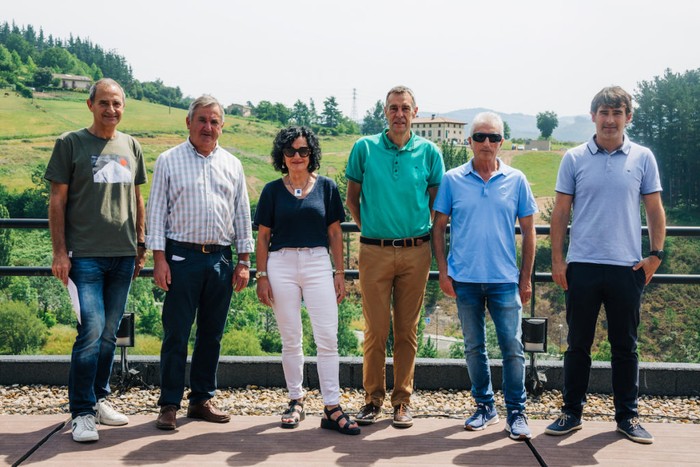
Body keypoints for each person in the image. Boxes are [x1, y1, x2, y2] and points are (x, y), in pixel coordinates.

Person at [545, 86, 666, 444]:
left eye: (617, 112)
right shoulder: (574, 157)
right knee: (577, 345)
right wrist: (558, 260)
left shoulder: (643, 157)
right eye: (604, 112)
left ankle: (627, 417)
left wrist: (656, 254)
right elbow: (561, 212)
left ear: (628, 117)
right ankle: (571, 413)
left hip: (627, 268)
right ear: (593, 116)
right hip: (581, 264)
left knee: (625, 346)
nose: (610, 119)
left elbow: (655, 209)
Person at [45, 78, 147, 443]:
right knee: (90, 332)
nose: (111, 110)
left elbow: (136, 197)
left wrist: (141, 242)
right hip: (84, 255)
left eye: (117, 103)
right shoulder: (70, 143)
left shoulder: (131, 145)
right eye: (104, 102)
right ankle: (81, 412)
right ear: (90, 105)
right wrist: (59, 252)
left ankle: (99, 399)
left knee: (108, 334)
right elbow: (56, 201)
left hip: (122, 255)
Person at [146, 95, 254, 430]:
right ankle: (169, 404)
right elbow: (156, 212)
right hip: (181, 257)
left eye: (215, 121)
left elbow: (242, 213)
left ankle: (201, 399)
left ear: (221, 126)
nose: (208, 127)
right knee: (176, 333)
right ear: (189, 122)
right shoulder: (168, 160)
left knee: (212, 333)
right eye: (202, 120)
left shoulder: (232, 164)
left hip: (221, 259)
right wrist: (159, 259)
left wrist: (244, 260)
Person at [432, 112, 537, 441]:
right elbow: (438, 228)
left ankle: (517, 412)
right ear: (469, 142)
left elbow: (530, 232)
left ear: (502, 142)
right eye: (480, 137)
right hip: (465, 279)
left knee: (512, 349)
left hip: (505, 280)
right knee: (474, 347)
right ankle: (485, 407)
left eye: (493, 138)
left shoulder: (517, 180)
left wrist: (526, 278)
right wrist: (443, 271)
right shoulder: (452, 179)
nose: (486, 143)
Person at [346, 85, 444, 428]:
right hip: (373, 251)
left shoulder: (430, 152)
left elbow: (437, 203)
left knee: (406, 330)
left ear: (415, 112)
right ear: (384, 112)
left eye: (405, 108)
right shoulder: (364, 149)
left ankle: (402, 401)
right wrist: (371, 229)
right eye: (392, 108)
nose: (399, 114)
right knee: (375, 330)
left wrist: (415, 231)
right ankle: (373, 399)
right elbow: (352, 200)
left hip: (416, 252)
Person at [254, 126, 360, 435]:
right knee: (291, 338)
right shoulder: (272, 191)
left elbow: (335, 233)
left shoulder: (326, 187)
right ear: (282, 157)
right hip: (281, 263)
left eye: (303, 151)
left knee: (327, 337)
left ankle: (332, 406)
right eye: (290, 151)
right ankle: (295, 399)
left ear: (311, 154)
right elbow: (262, 237)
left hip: (317, 262)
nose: (297, 156)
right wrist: (261, 276)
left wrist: (339, 273)